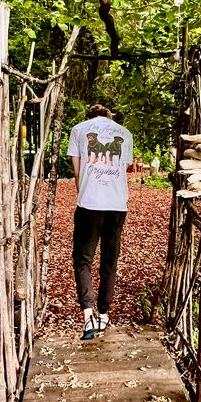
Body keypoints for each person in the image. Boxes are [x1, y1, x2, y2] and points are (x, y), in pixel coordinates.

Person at [67, 103, 133, 340]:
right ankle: (104, 313)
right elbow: (123, 168)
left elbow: (77, 171)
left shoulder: (78, 130)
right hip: (117, 206)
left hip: (89, 205)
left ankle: (88, 314)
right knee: (109, 258)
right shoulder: (124, 133)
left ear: (89, 116)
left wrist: (83, 192)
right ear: (108, 116)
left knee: (83, 258)